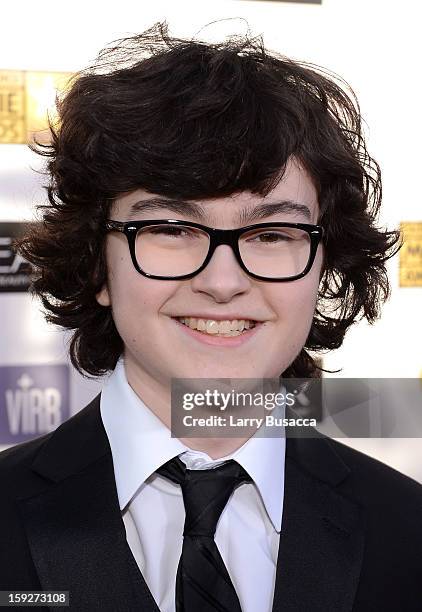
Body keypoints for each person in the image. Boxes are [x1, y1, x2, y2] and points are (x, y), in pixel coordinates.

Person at [0, 21, 421, 612]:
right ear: (97, 264)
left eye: (273, 232)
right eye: (171, 228)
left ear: (323, 266)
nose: (223, 282)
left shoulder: (408, 529)